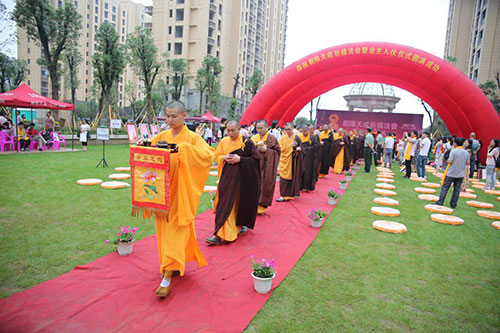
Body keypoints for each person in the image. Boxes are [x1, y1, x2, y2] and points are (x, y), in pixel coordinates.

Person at [139, 101, 214, 298]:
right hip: (162, 194)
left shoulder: (192, 137)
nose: (169, 120)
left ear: (183, 116)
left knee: (175, 230)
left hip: (181, 193)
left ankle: (167, 276)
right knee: (164, 232)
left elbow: (208, 155)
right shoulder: (162, 136)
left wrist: (185, 149)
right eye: (167, 116)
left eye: (174, 116)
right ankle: (171, 263)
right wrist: (143, 145)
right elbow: (151, 151)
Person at [206, 120, 260, 245]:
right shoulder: (224, 141)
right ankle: (220, 234)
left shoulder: (246, 143)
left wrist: (240, 159)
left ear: (239, 129)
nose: (230, 133)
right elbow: (217, 155)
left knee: (237, 205)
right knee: (224, 205)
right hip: (226, 179)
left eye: (232, 130)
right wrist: (223, 158)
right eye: (228, 130)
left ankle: (237, 226)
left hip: (242, 181)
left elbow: (255, 160)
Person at [251, 119, 280, 215]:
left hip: (266, 167)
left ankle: (261, 207)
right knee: (254, 185)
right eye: (257, 128)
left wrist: (266, 150)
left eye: (261, 128)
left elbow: (277, 152)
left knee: (265, 185)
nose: (259, 130)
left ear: (267, 128)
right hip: (254, 166)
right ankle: (252, 205)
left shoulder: (272, 139)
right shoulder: (254, 138)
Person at [435, 137, 470, 208]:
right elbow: (467, 163)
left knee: (445, 188)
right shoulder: (466, 153)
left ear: (456, 144)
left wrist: (447, 160)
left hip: (451, 173)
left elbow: (450, 161)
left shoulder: (454, 151)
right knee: (457, 189)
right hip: (460, 173)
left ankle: (440, 201)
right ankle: (453, 204)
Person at [277, 122, 303, 202]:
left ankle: (291, 195)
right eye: (286, 129)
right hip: (284, 161)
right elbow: (280, 149)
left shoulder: (297, 138)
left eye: (289, 129)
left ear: (293, 129)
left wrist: (298, 150)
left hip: (293, 161)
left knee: (293, 177)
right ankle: (283, 195)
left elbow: (301, 149)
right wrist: (290, 146)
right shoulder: (283, 138)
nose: (287, 131)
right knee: (283, 179)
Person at [299, 126, 316, 192]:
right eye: (302, 131)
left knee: (308, 172)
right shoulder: (300, 137)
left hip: (309, 158)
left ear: (308, 131)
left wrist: (306, 149)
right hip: (301, 156)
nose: (303, 133)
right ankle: (300, 186)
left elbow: (316, 147)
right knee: (301, 170)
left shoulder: (312, 137)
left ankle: (307, 187)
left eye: (305, 131)